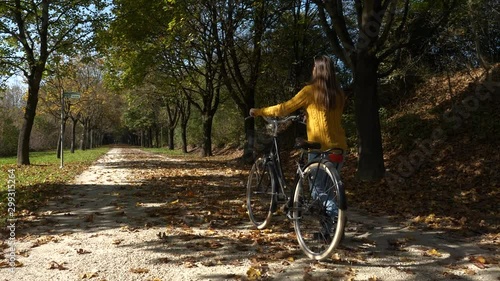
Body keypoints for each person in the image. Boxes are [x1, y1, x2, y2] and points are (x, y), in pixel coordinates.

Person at [249, 55, 347, 240]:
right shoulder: (339, 94)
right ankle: (329, 230)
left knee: (318, 189)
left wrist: (259, 111)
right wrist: (308, 117)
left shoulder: (310, 91)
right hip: (339, 148)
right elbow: (328, 116)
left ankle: (336, 226)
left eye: (313, 67)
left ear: (316, 71)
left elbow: (284, 108)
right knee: (329, 189)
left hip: (319, 148)